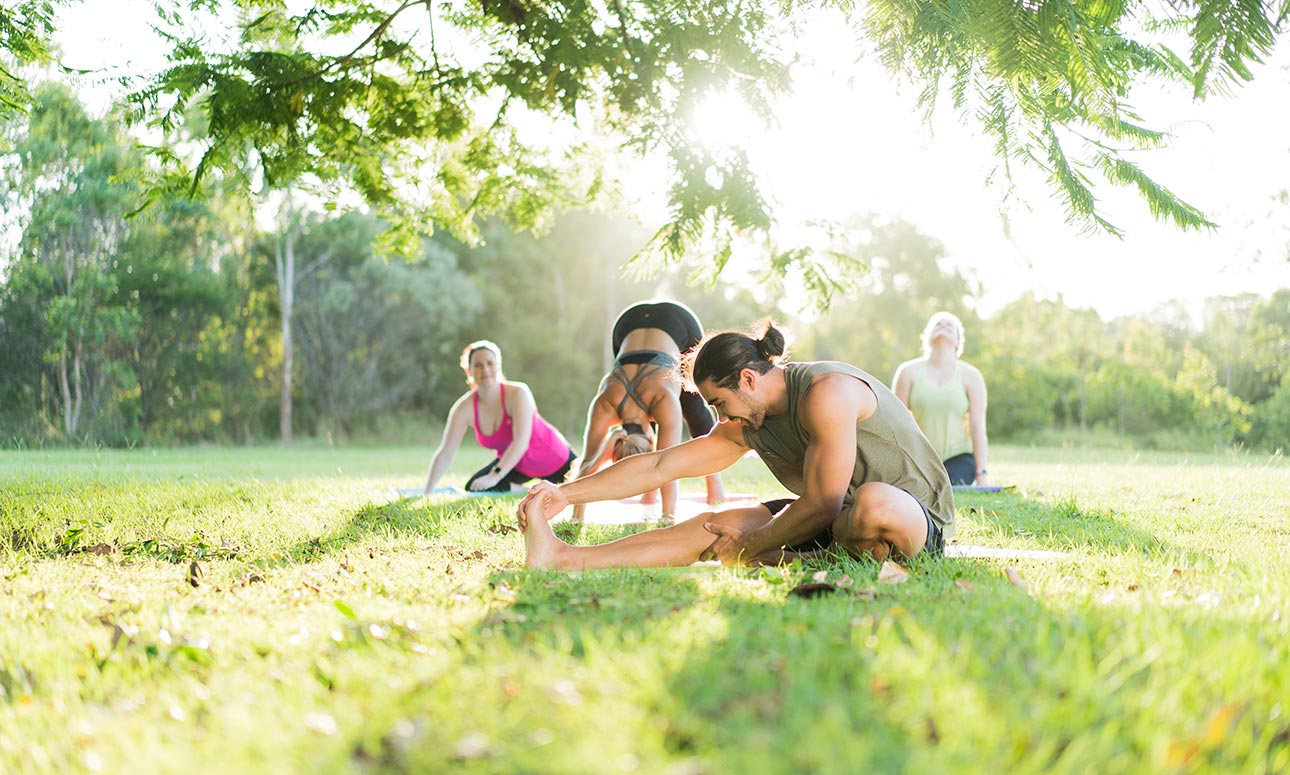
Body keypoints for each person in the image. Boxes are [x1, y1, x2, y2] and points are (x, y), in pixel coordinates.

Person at [517, 320, 954, 570]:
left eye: (720, 404)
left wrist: (750, 544)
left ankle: (787, 556)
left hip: (913, 518)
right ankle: (563, 558)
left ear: (747, 379)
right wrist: (564, 493)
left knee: (874, 505)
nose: (721, 418)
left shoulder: (827, 392)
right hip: (838, 518)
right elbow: (659, 466)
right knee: (710, 526)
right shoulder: (749, 419)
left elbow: (821, 503)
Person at [571, 300, 725, 523]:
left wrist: (668, 516)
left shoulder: (658, 398)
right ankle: (649, 494)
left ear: (650, 439)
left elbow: (667, 466)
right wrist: (575, 518)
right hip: (627, 322)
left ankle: (715, 484)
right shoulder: (607, 403)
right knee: (662, 406)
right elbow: (589, 462)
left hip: (679, 323)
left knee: (692, 406)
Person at [423, 340, 575, 494]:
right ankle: (533, 491)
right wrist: (427, 492)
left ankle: (548, 488)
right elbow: (446, 452)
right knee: (474, 486)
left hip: (555, 460)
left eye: (490, 363)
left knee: (581, 489)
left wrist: (495, 476)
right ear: (469, 371)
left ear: (498, 366)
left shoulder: (518, 393)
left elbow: (521, 442)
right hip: (516, 465)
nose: (485, 370)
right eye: (478, 365)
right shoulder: (464, 408)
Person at [892, 311, 989, 486]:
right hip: (919, 456)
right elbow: (895, 424)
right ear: (927, 338)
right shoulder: (907, 372)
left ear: (958, 341)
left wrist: (981, 474)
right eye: (937, 324)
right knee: (921, 489)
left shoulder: (971, 376)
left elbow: (977, 427)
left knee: (945, 488)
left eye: (949, 325)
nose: (943, 325)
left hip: (959, 457)